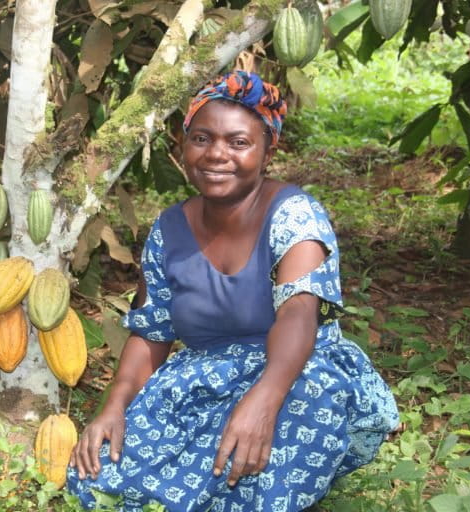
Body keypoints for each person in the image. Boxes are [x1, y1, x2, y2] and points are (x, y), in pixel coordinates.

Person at [66, 70, 399, 512]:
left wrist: (264, 400)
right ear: (183, 145)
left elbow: (300, 313)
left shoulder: (294, 215)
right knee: (97, 477)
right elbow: (152, 332)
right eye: (202, 139)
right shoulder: (168, 230)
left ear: (267, 152)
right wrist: (115, 406)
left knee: (271, 461)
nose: (216, 154)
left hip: (294, 372)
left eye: (238, 142)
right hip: (205, 378)